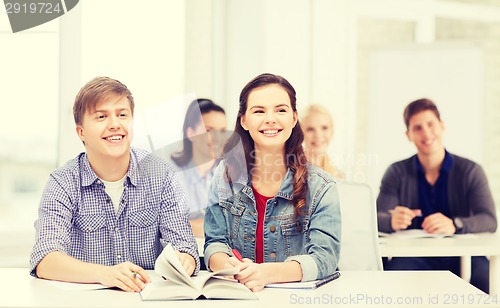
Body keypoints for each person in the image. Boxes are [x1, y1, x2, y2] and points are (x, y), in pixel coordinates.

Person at [29, 77, 199, 292]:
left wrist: (184, 260)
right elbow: (45, 259)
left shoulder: (162, 174)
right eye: (101, 116)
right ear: (81, 132)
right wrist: (105, 274)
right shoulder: (62, 182)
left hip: (147, 298)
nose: (115, 124)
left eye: (122, 115)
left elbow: (184, 245)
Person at [203, 73, 341, 292]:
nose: (270, 119)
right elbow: (215, 243)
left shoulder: (321, 187)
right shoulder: (224, 177)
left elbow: (325, 259)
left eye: (280, 110)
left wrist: (266, 273)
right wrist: (228, 266)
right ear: (244, 120)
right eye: (259, 111)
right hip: (238, 295)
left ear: (294, 118)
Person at [377, 98, 497, 293]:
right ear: (408, 135)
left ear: (442, 126)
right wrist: (392, 220)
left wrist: (454, 224)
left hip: (462, 256)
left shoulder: (470, 171)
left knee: (485, 281)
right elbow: (376, 218)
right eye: (417, 128)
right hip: (413, 257)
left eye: (431, 124)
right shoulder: (396, 172)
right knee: (390, 283)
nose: (426, 133)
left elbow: (489, 220)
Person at [169, 99, 227, 238]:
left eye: (222, 131)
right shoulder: (171, 175)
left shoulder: (229, 175)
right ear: (191, 133)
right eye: (208, 130)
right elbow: (170, 225)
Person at [301, 104, 344, 179]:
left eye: (324, 128)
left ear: (332, 131)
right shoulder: (291, 171)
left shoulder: (339, 176)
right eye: (310, 129)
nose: (318, 135)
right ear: (301, 133)